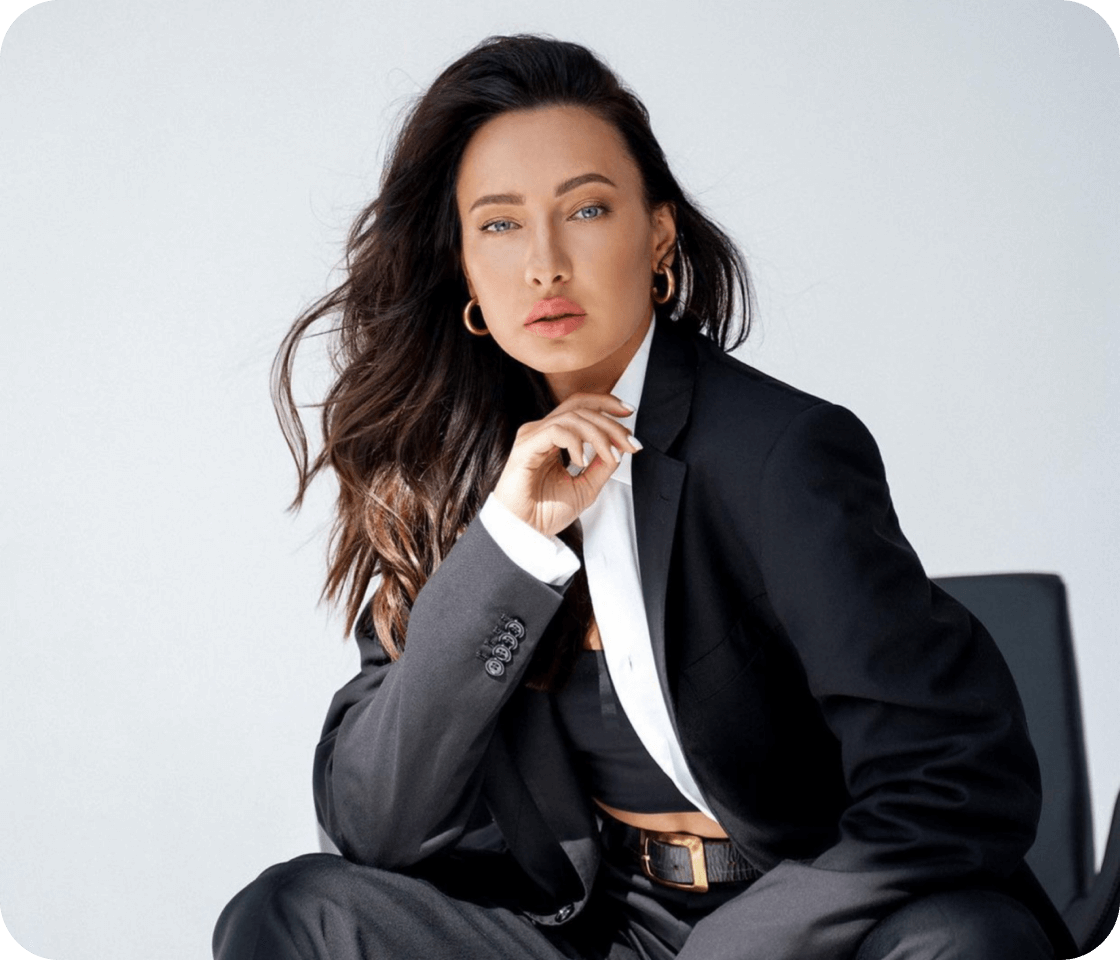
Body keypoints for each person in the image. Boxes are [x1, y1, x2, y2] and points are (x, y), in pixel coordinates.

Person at [214, 35, 1077, 960]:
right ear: (461, 263)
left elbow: (952, 780)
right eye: (499, 225)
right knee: (291, 912)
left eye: (586, 209)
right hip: (601, 928)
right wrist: (508, 545)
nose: (545, 263)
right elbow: (373, 825)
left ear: (658, 234)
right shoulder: (448, 475)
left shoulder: (780, 453)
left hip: (810, 924)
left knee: (960, 942)